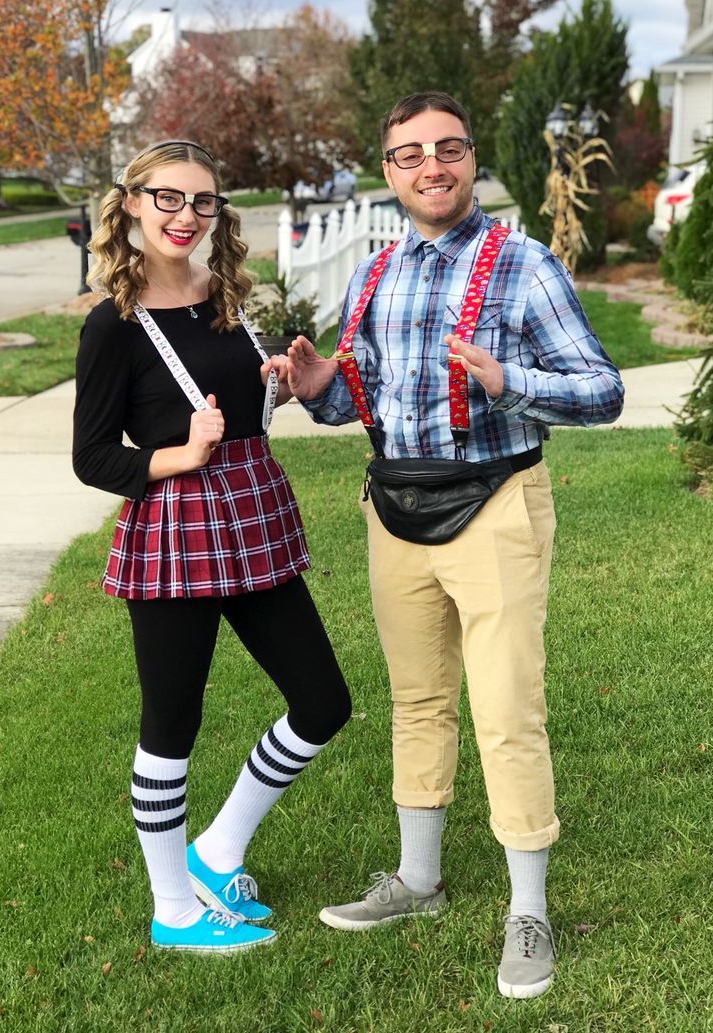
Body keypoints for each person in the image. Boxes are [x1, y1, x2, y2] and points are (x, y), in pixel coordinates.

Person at [287, 92, 624, 998]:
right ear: (388, 170)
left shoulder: (524, 264)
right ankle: (420, 879)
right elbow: (356, 397)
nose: (431, 166)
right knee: (417, 698)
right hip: (395, 506)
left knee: (507, 704)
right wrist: (321, 384)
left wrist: (511, 380)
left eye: (447, 149)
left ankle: (529, 910)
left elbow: (604, 390)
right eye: (409, 154)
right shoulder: (375, 271)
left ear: (471, 158)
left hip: (498, 503)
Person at [72, 140, 351, 955]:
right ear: (130, 204)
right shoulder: (113, 326)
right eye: (167, 198)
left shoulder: (224, 297)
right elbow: (93, 457)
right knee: (172, 719)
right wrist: (177, 456)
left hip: (255, 516)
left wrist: (282, 384)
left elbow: (239, 408)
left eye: (203, 202)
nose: (186, 216)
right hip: (177, 529)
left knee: (323, 701)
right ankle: (174, 908)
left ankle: (218, 852)